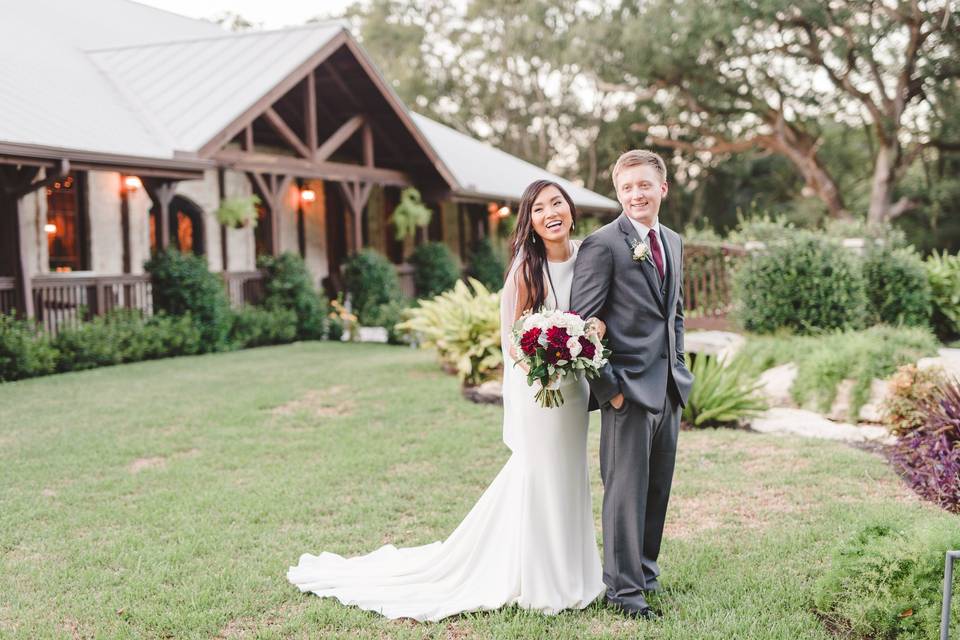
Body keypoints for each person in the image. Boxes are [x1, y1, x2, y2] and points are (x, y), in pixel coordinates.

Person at [287, 179, 605, 621]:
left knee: (570, 475)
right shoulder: (526, 269)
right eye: (538, 209)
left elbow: (598, 315)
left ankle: (575, 572)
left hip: (574, 392)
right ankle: (542, 579)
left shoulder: (590, 256)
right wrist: (543, 360)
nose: (550, 213)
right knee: (539, 475)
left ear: (571, 208)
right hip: (541, 388)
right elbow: (513, 339)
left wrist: (587, 339)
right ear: (529, 223)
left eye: (557, 203)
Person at [570, 149, 694, 619]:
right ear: (618, 193)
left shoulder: (674, 241)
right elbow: (582, 327)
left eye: (644, 185)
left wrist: (679, 366)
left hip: (668, 388)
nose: (636, 194)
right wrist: (611, 389)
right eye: (627, 188)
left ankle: (645, 573)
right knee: (625, 493)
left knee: (657, 489)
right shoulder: (602, 245)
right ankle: (624, 592)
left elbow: (674, 313)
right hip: (627, 391)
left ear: (662, 188)